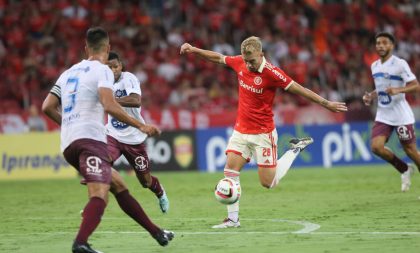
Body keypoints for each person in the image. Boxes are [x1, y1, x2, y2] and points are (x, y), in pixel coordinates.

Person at [180, 36, 347, 228]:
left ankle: (295, 149)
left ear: (261, 54)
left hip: (263, 134)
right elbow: (218, 58)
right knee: (230, 171)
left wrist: (326, 103)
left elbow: (299, 89)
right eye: (245, 60)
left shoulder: (272, 73)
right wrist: (194, 49)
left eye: (251, 60)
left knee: (268, 183)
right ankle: (233, 219)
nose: (248, 64)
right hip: (241, 131)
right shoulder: (240, 63)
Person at [42, 27, 173, 253]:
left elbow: (47, 107)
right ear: (108, 48)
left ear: (86, 48)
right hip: (91, 140)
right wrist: (142, 125)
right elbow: (109, 105)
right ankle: (80, 244)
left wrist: (70, 124)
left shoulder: (67, 73)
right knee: (99, 194)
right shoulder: (102, 70)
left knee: (119, 185)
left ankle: (157, 233)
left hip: (69, 143)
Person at [106, 51, 169, 213]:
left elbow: (135, 100)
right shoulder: (102, 83)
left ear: (121, 65)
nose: (113, 70)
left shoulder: (129, 78)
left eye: (115, 66)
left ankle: (160, 192)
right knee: (103, 162)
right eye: (109, 67)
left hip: (134, 137)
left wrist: (110, 101)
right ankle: (93, 205)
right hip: (112, 134)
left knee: (145, 181)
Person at [363, 32, 420, 192]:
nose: (380, 46)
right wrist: (371, 96)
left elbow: (416, 86)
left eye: (384, 43)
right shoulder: (375, 66)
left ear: (391, 46)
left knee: (410, 150)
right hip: (383, 114)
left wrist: (399, 89)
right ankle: (405, 169)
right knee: (376, 147)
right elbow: (381, 88)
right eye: (378, 43)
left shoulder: (400, 64)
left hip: (401, 115)